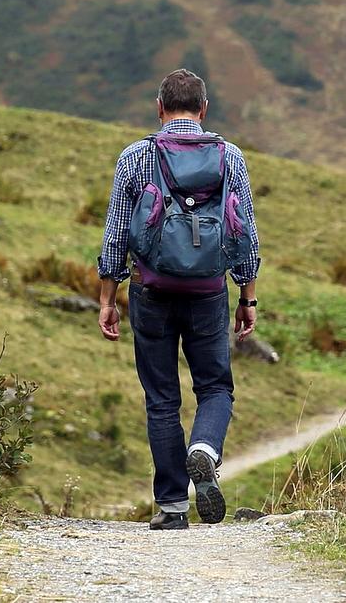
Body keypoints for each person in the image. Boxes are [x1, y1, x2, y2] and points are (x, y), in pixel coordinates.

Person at [97, 69, 261, 530]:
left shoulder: (136, 156)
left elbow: (115, 235)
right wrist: (247, 296)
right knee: (215, 386)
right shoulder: (230, 157)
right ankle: (204, 449)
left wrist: (108, 297)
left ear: (159, 107)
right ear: (204, 109)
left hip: (151, 290)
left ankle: (172, 506)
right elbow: (244, 231)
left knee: (162, 398)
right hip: (209, 291)